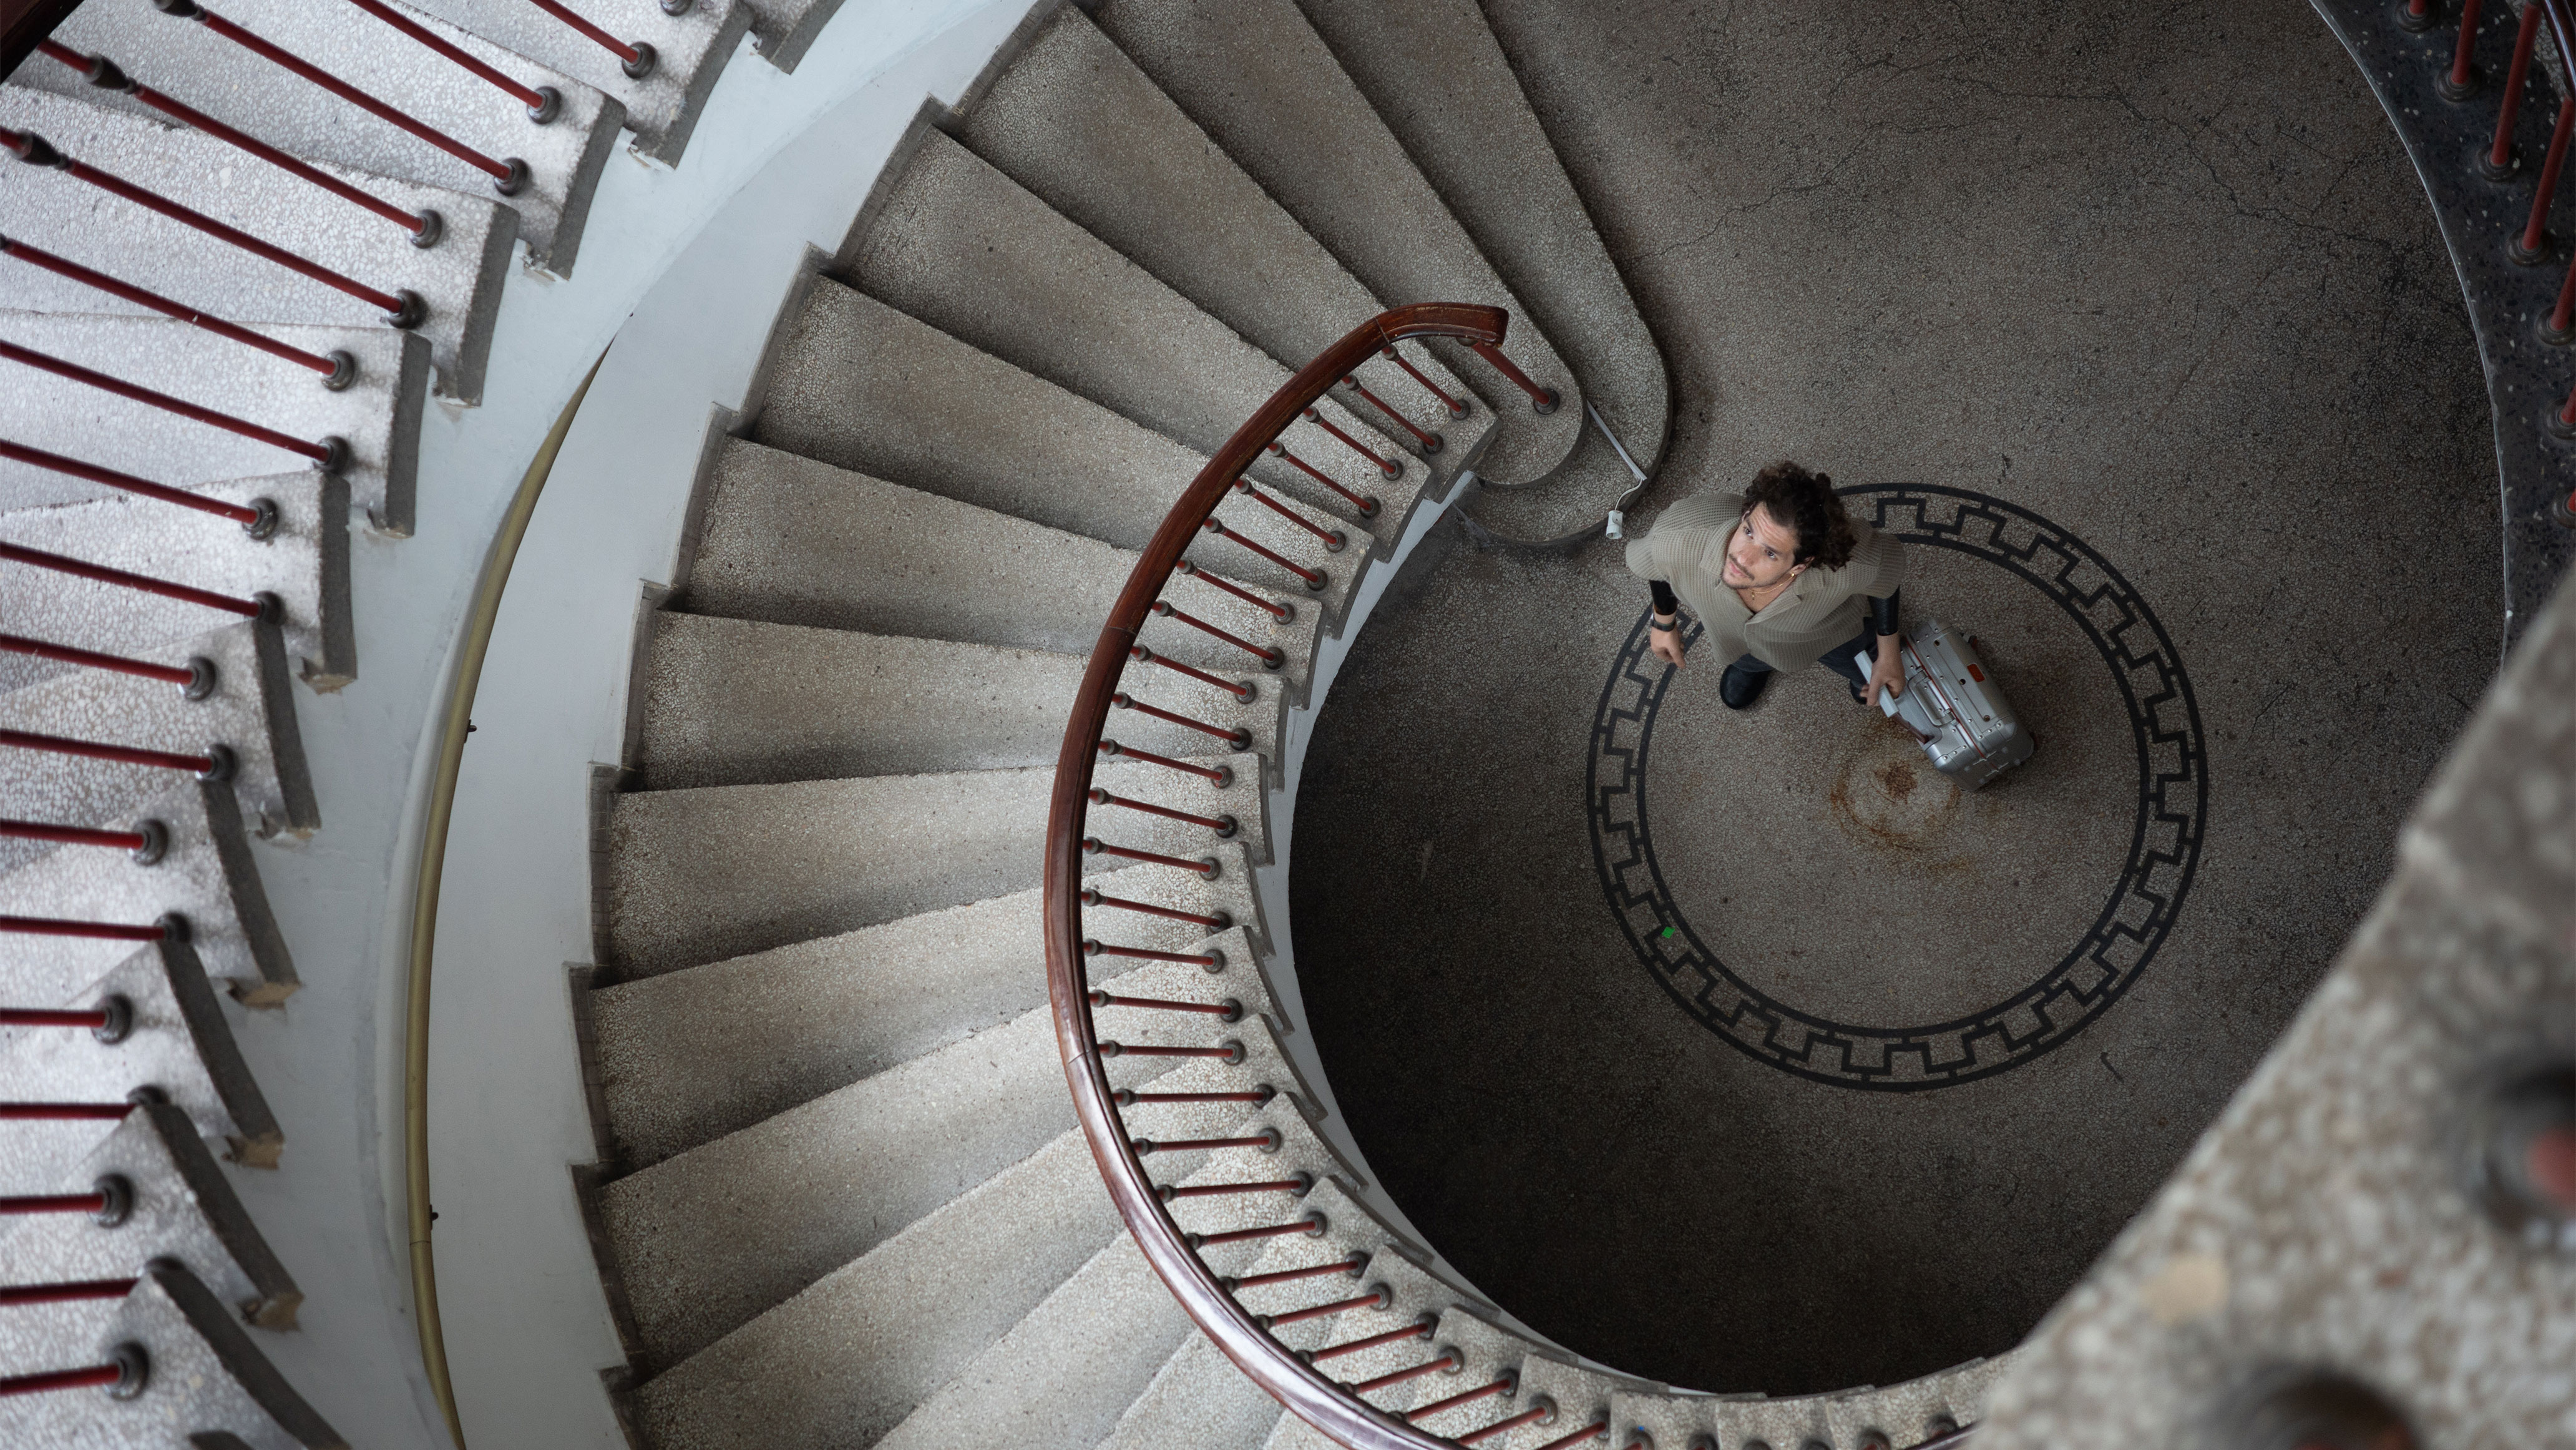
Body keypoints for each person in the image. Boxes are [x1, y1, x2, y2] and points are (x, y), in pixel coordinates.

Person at [1624, 461, 1906, 711]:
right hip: (1734, 640)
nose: (1741, 558)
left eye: (1770, 553)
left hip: (1829, 634)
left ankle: (1861, 671)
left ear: (1801, 565)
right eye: (1748, 531)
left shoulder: (1852, 564)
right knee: (1744, 654)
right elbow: (1655, 562)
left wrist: (1889, 654)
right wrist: (1663, 623)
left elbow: (1888, 578)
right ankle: (1752, 667)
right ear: (1747, 512)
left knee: (1858, 665)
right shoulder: (1678, 536)